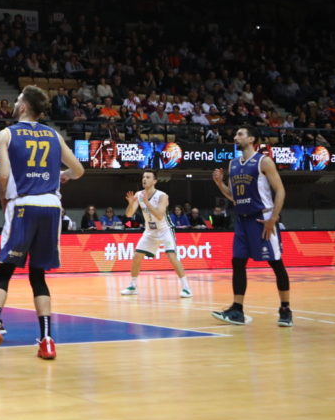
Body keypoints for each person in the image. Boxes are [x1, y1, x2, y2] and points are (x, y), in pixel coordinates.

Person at [0, 85, 83, 363]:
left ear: (23, 107)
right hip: (52, 207)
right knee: (38, 275)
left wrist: (3, 201)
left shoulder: (7, 133)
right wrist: (63, 176)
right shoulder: (54, 135)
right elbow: (79, 170)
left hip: (23, 204)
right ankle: (47, 340)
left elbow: (3, 176)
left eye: (18, 100)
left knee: (4, 271)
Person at [209, 126, 292, 327]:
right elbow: (233, 197)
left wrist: (273, 218)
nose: (235, 137)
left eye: (240, 134)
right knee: (237, 262)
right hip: (242, 221)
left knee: (276, 263)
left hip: (262, 219)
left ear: (252, 138)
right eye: (236, 134)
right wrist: (220, 184)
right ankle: (237, 309)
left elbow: (280, 191)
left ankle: (285, 309)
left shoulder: (264, 161)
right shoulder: (233, 163)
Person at [119, 172, 193, 298]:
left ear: (154, 181)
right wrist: (131, 204)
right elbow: (129, 215)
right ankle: (133, 285)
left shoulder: (162, 196)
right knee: (137, 256)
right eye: (143, 177)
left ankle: (186, 287)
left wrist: (147, 203)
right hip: (150, 231)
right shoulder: (138, 194)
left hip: (164, 229)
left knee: (171, 256)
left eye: (148, 177)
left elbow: (159, 214)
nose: (144, 179)